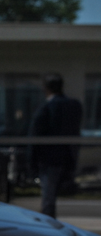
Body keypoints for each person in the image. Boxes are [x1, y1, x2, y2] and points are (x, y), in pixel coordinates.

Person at [30, 72, 83, 218]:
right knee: (52, 194)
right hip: (68, 156)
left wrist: (32, 162)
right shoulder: (74, 106)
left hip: (50, 159)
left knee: (48, 196)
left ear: (46, 88)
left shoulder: (46, 108)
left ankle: (49, 224)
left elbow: (35, 135)